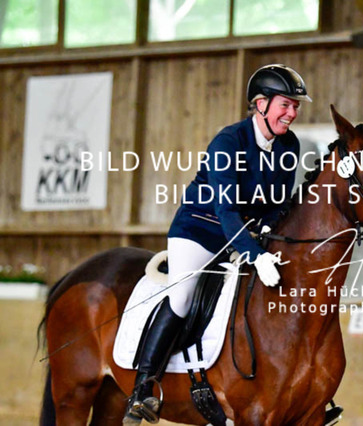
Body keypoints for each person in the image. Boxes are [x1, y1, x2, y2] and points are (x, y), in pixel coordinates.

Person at [124, 64, 312, 424]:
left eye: (295, 106)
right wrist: (256, 256)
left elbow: (278, 203)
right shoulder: (228, 142)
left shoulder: (289, 144)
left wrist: (268, 232)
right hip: (200, 231)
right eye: (285, 105)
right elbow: (226, 210)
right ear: (261, 104)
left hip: (245, 235)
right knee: (182, 296)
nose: (292, 113)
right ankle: (144, 387)